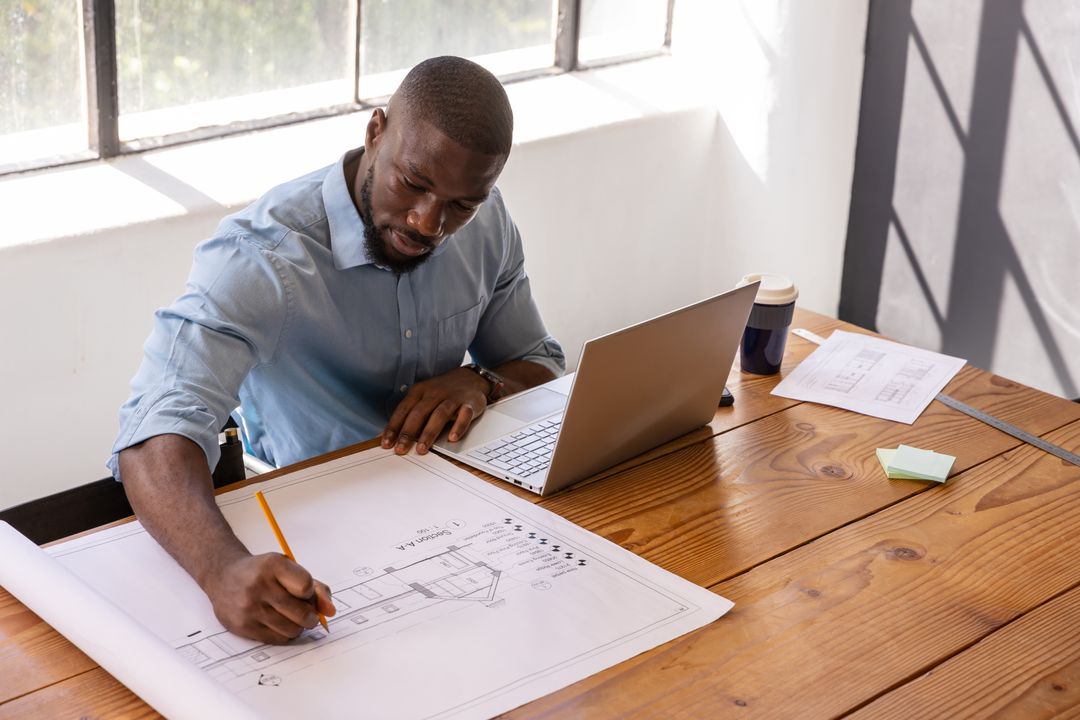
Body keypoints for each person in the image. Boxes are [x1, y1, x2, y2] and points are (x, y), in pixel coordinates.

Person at [109, 56, 565, 644]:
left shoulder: (487, 223)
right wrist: (221, 568)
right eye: (414, 183)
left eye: (460, 205)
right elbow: (151, 434)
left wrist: (482, 382)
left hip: (461, 515)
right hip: (313, 535)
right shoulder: (262, 258)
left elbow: (540, 363)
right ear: (375, 131)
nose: (428, 223)